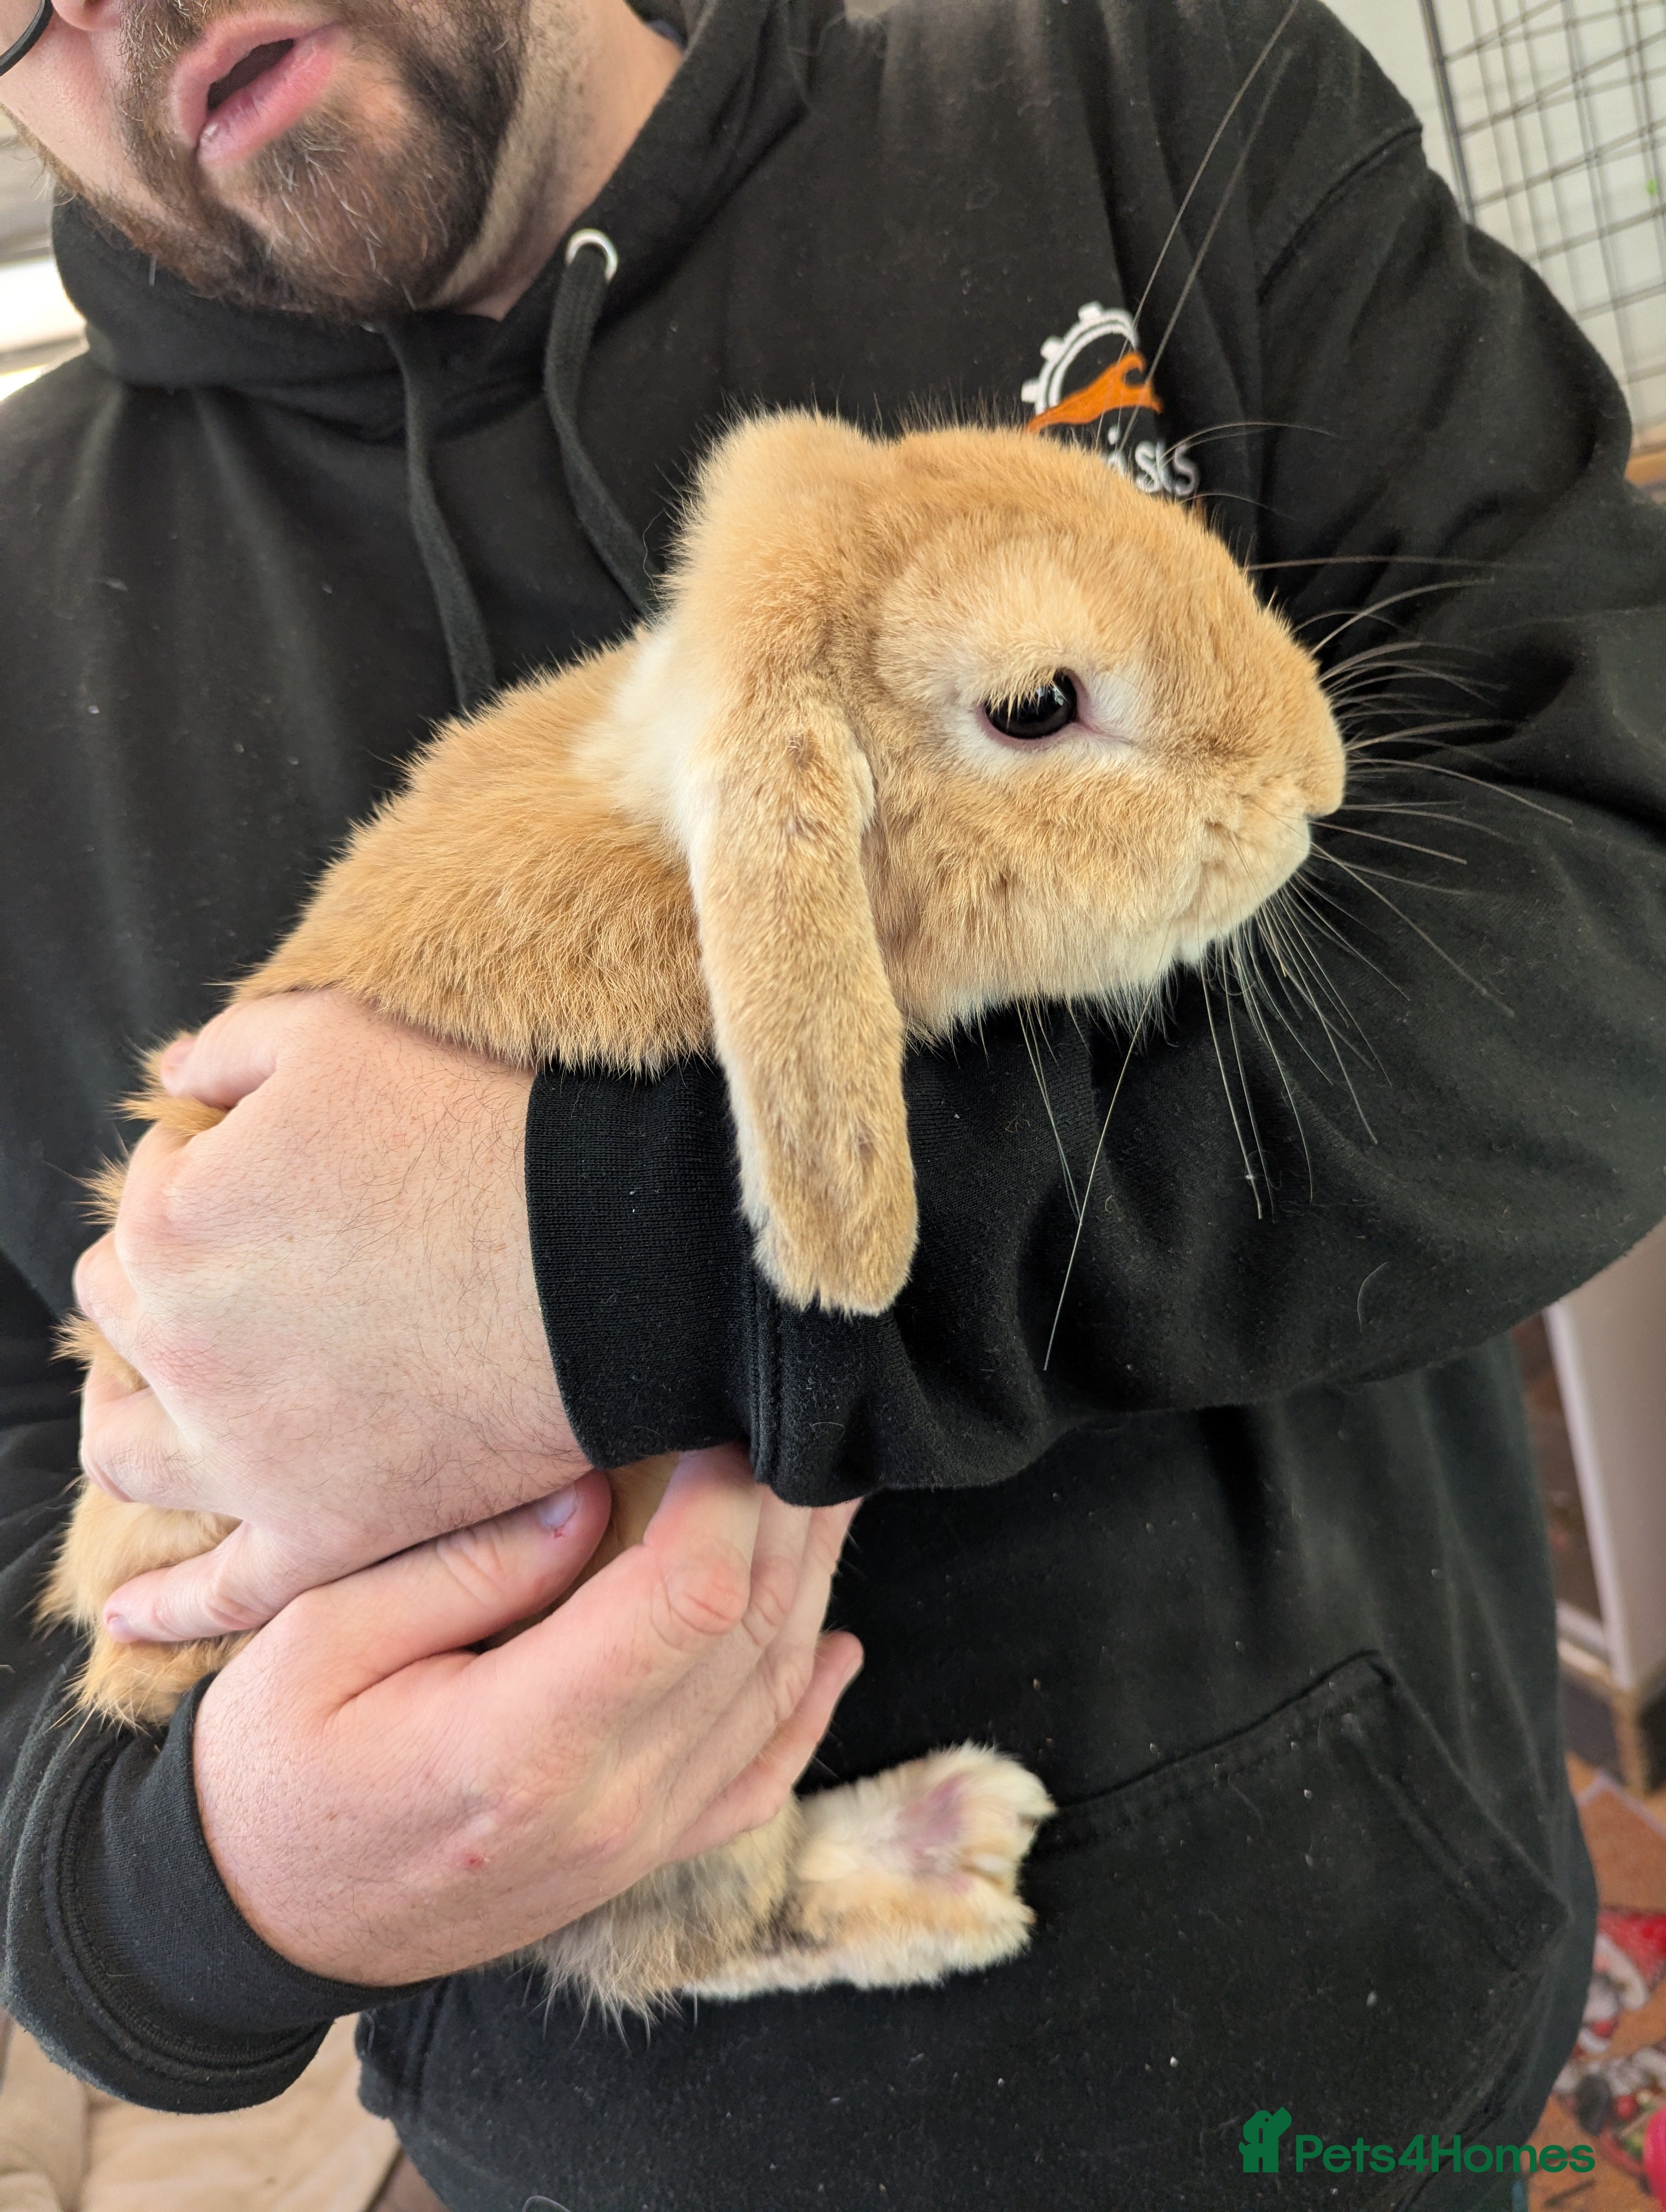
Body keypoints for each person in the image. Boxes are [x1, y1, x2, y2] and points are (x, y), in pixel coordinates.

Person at [0, 0, 1662, 2204]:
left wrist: (603, 1273)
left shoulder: (1127, 93)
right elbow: (54, 1508)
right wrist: (222, 1888)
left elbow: (1600, 872)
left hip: (1366, 2080)